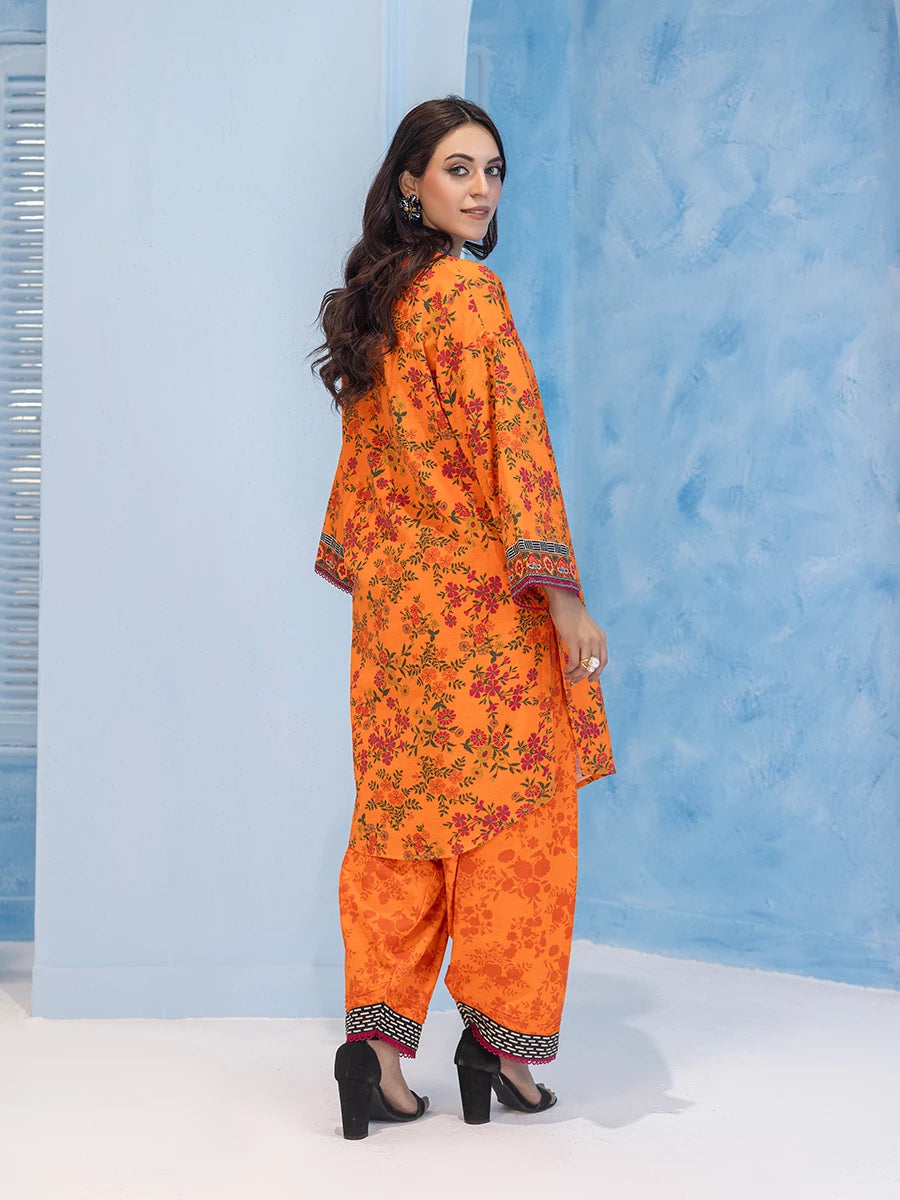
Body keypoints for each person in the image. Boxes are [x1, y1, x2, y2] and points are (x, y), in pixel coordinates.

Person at [312, 95, 615, 1139]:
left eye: (493, 170)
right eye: (457, 168)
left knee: (399, 828)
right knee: (516, 826)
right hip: (483, 613)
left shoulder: (377, 306)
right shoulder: (469, 294)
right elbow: (515, 453)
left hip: (396, 624)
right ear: (411, 183)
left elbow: (361, 486)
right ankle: (500, 1050)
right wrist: (564, 602)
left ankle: (374, 1060)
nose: (481, 189)